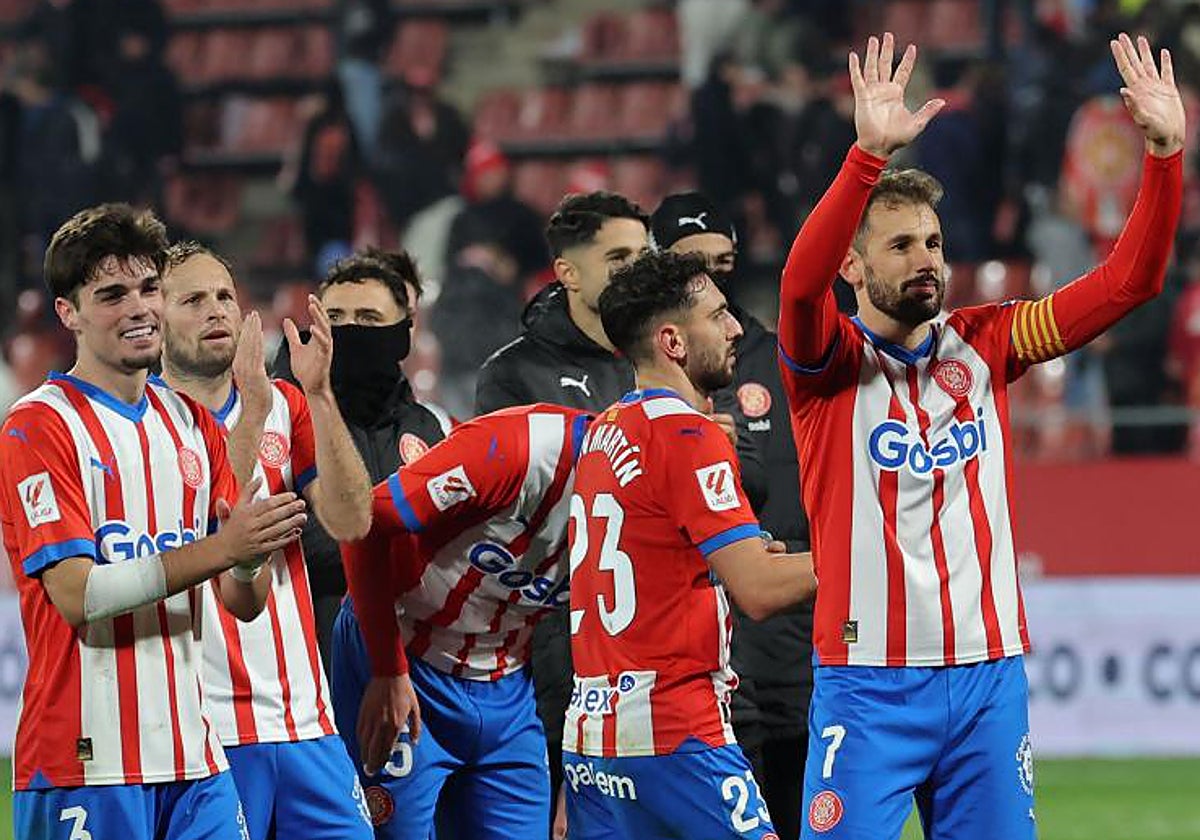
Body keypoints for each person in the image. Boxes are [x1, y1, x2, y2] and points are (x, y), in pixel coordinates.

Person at [778, 33, 1183, 839]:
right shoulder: (826, 362)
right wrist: (863, 159)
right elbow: (797, 284)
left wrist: (1165, 157)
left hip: (987, 680)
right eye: (900, 245)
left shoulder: (989, 341)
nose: (927, 258)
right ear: (853, 269)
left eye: (933, 241)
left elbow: (1130, 282)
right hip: (868, 685)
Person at [0, 203, 308, 839]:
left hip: (197, 757)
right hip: (85, 760)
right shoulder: (40, 425)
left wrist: (248, 555)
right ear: (69, 313)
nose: (138, 308)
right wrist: (224, 547)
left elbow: (241, 602)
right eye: (111, 294)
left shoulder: (190, 423)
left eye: (147, 289)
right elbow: (80, 593)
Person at [564, 250, 816, 839]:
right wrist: (864, 556)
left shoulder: (605, 429)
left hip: (595, 739)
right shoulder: (688, 433)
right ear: (673, 341)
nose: (735, 329)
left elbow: (659, 558)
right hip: (676, 734)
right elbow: (757, 590)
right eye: (719, 315)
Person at [160, 241, 374, 839]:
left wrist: (321, 395)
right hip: (209, 731)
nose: (216, 311)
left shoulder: (289, 405)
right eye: (193, 299)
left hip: (307, 720)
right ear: (157, 319)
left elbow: (352, 519)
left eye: (225, 296)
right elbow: (207, 526)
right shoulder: (147, 421)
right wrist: (252, 408)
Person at [474, 190, 648, 834]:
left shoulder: (661, 354)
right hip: (560, 639)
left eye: (643, 254)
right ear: (568, 273)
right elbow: (511, 504)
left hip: (659, 632)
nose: (636, 267)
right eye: (619, 255)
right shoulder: (513, 374)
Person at [336, 403, 592, 837]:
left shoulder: (652, 517)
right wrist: (387, 669)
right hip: (405, 660)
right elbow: (364, 520)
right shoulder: (520, 448)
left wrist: (583, 767)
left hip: (508, 688)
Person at [651, 191, 813, 840]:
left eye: (723, 262)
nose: (713, 277)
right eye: (692, 265)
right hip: (690, 662)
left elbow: (791, 499)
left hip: (787, 653)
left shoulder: (782, 362)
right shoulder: (640, 373)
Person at [274, 247, 451, 674]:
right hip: (314, 655)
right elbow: (312, 547)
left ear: (403, 333)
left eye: (369, 319)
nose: (349, 330)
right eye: (334, 318)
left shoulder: (426, 426)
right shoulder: (281, 416)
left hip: (422, 656)